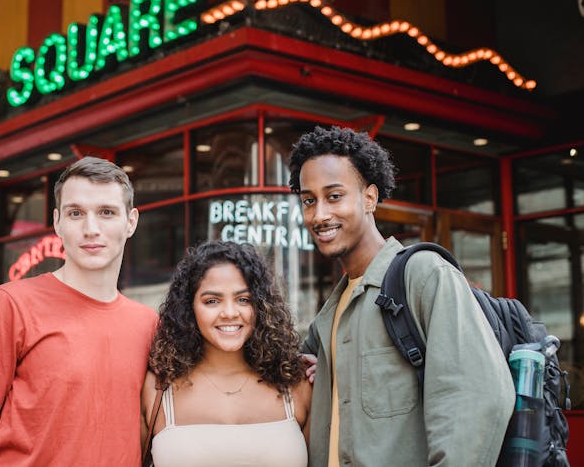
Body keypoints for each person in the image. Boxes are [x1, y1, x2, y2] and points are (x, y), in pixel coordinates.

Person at [288, 126, 515, 466]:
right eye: (309, 200)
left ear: (369, 198)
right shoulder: (330, 315)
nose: (320, 214)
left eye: (334, 196)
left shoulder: (424, 276)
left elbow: (477, 399)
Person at [0, 156, 158, 466]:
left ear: (131, 222)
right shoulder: (11, 304)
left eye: (106, 212)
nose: (91, 229)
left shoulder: (149, 324)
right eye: (76, 213)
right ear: (58, 222)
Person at [141, 240, 312, 467]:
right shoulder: (158, 388)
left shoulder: (296, 382)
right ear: (189, 308)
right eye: (212, 301)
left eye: (243, 299)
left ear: (260, 305)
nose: (230, 313)